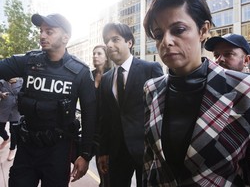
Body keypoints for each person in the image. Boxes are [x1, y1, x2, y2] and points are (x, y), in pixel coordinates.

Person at [142, 0, 250, 186]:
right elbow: (151, 164)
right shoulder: (151, 89)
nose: (166, 41)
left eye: (179, 30)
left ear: (203, 30)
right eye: (158, 35)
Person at [0, 13, 96, 187]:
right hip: (27, 148)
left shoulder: (80, 72)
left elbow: (90, 116)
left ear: (65, 37)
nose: (42, 35)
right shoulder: (28, 61)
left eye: (49, 31)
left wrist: (86, 155)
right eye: (41, 31)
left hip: (57, 152)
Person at [98, 22, 163, 187]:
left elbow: (162, 111)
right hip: (116, 152)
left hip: (147, 150)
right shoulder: (105, 79)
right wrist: (103, 151)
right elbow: (104, 118)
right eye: (107, 41)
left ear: (129, 42)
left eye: (115, 39)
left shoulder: (150, 69)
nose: (109, 44)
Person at [91, 44, 112, 187]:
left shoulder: (113, 74)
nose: (95, 56)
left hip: (108, 129)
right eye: (93, 53)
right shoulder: (89, 75)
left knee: (109, 171)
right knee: (100, 167)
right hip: (93, 128)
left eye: (99, 53)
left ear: (106, 57)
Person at [0, 78, 23, 161]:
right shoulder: (2, 81)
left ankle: (12, 149)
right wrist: (1, 94)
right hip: (4, 108)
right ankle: (6, 138)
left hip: (16, 109)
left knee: (13, 130)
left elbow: (26, 93)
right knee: (0, 128)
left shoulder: (21, 81)